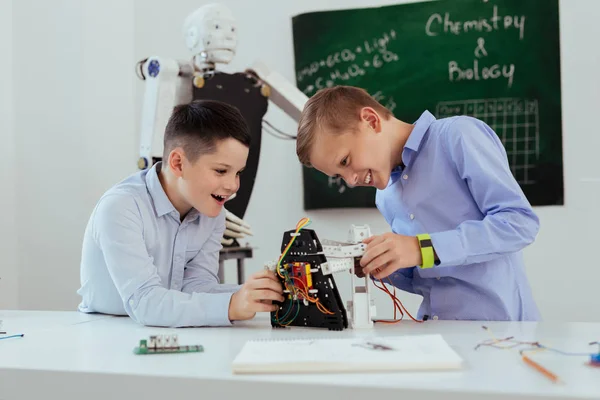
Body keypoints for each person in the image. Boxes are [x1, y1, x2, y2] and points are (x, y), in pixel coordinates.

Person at [295, 86, 540, 321]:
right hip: (438, 330)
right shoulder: (386, 196)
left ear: (371, 120)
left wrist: (421, 248)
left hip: (501, 333)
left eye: (345, 161)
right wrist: (383, 264)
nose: (350, 181)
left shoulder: (457, 137)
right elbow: (427, 273)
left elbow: (519, 223)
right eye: (339, 176)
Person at [77, 100, 284, 327]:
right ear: (178, 163)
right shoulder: (121, 207)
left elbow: (198, 287)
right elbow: (146, 303)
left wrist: (256, 294)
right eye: (221, 170)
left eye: (238, 173)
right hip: (104, 333)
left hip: (169, 328)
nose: (234, 185)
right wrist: (232, 304)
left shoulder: (212, 215)